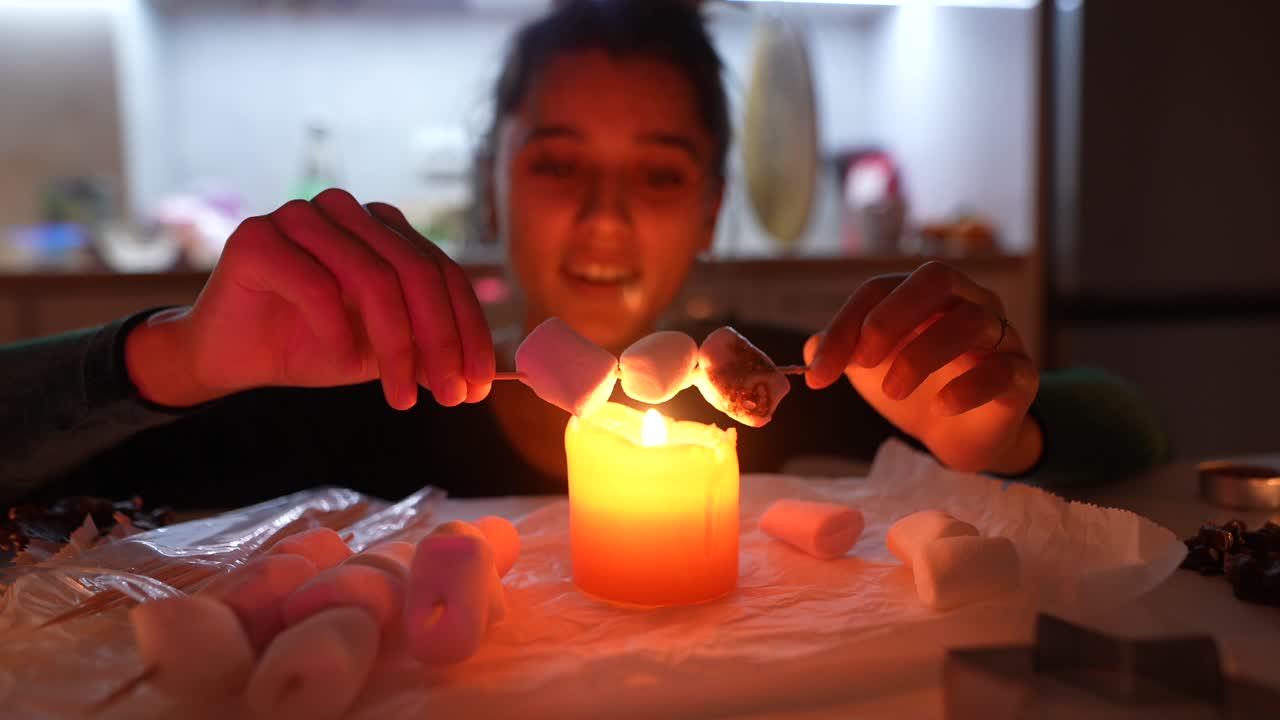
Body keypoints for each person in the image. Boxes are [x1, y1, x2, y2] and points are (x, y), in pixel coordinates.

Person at [0, 0, 1166, 509]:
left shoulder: (816, 406)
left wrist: (997, 431)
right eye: (558, 163)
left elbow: (1123, 424)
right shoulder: (345, 410)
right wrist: (172, 360)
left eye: (658, 174)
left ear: (710, 210)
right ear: (493, 183)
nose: (606, 217)